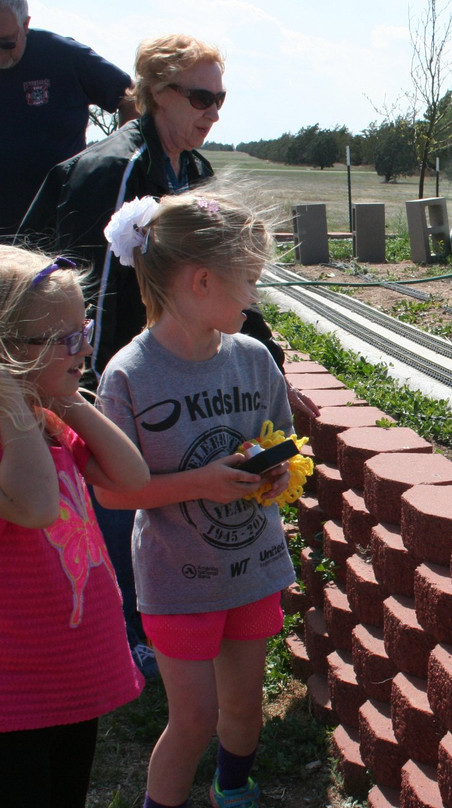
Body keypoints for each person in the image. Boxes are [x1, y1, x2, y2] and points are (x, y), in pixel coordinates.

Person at [20, 33, 317, 677]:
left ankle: (159, 623)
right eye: (201, 97)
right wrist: (84, 388)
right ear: (156, 94)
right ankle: (134, 630)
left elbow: (228, 274)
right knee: (123, 493)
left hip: (174, 355)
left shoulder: (196, 173)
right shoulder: (115, 171)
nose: (214, 111)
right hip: (120, 364)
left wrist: (263, 350)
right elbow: (81, 288)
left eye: (222, 98)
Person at [95, 189, 296, 808]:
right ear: (203, 280)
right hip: (178, 580)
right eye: (251, 281)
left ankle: (232, 788)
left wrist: (279, 475)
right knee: (193, 720)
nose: (256, 298)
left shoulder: (254, 358)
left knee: (243, 708)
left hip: (252, 568)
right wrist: (200, 483)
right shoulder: (128, 374)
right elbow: (111, 489)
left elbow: (283, 441)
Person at [0, 245, 148, 806]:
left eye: (83, 328)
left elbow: (129, 478)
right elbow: (36, 507)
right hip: (12, 689)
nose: (84, 347)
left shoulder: (51, 420)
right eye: (64, 339)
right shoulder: (17, 432)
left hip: (67, 676)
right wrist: (13, 401)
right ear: (6, 354)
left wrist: (72, 402)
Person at [0, 0, 136, 240]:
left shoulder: (63, 55)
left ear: (26, 25)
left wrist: (115, 163)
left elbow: (130, 98)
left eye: (7, 42)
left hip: (56, 223)